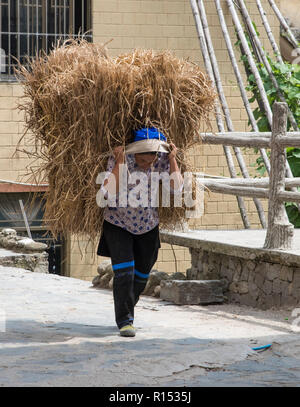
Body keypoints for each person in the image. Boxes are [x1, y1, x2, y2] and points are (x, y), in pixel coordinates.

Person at [97, 127, 183, 337]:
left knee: (142, 275)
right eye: (145, 157)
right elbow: (107, 193)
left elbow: (177, 188)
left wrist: (172, 160)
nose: (150, 161)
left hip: (148, 225)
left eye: (153, 156)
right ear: (135, 151)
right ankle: (125, 320)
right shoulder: (120, 159)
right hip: (118, 223)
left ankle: (127, 305)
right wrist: (119, 162)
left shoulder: (161, 160)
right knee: (124, 272)